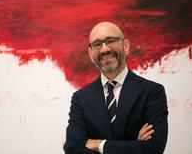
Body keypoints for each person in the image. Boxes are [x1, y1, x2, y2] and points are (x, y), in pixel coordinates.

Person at [64, 22, 168, 154]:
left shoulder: (152, 92)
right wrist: (134, 146)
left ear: (126, 46)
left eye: (111, 41)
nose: (104, 49)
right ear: (90, 54)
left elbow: (153, 148)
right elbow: (73, 149)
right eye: (97, 44)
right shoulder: (80, 99)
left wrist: (99, 145)